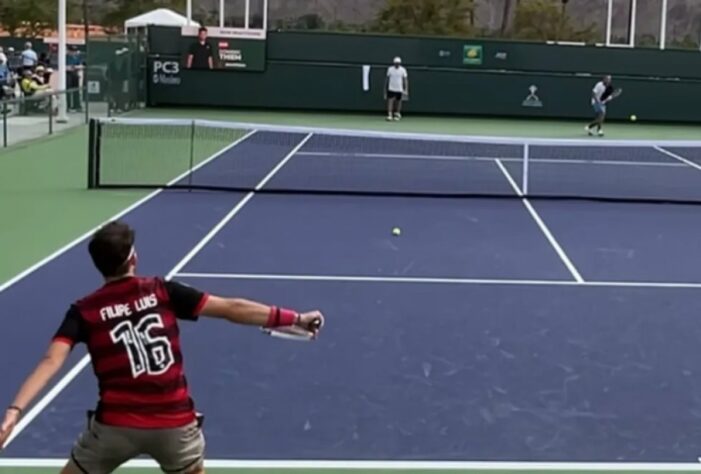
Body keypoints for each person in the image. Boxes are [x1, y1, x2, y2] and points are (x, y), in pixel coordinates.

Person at [0, 221, 324, 474]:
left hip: (114, 429)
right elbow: (232, 308)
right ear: (134, 259)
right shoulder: (162, 291)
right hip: (174, 426)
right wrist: (295, 318)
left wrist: (14, 413)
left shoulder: (84, 311)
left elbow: (50, 361)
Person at [384, 56, 408, 121]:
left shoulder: (403, 70)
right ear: (394, 63)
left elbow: (405, 80)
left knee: (398, 102)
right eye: (396, 63)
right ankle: (390, 115)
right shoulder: (390, 69)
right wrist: (385, 89)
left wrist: (406, 89)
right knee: (390, 101)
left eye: (398, 63)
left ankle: (397, 114)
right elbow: (387, 79)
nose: (397, 64)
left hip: (399, 89)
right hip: (391, 88)